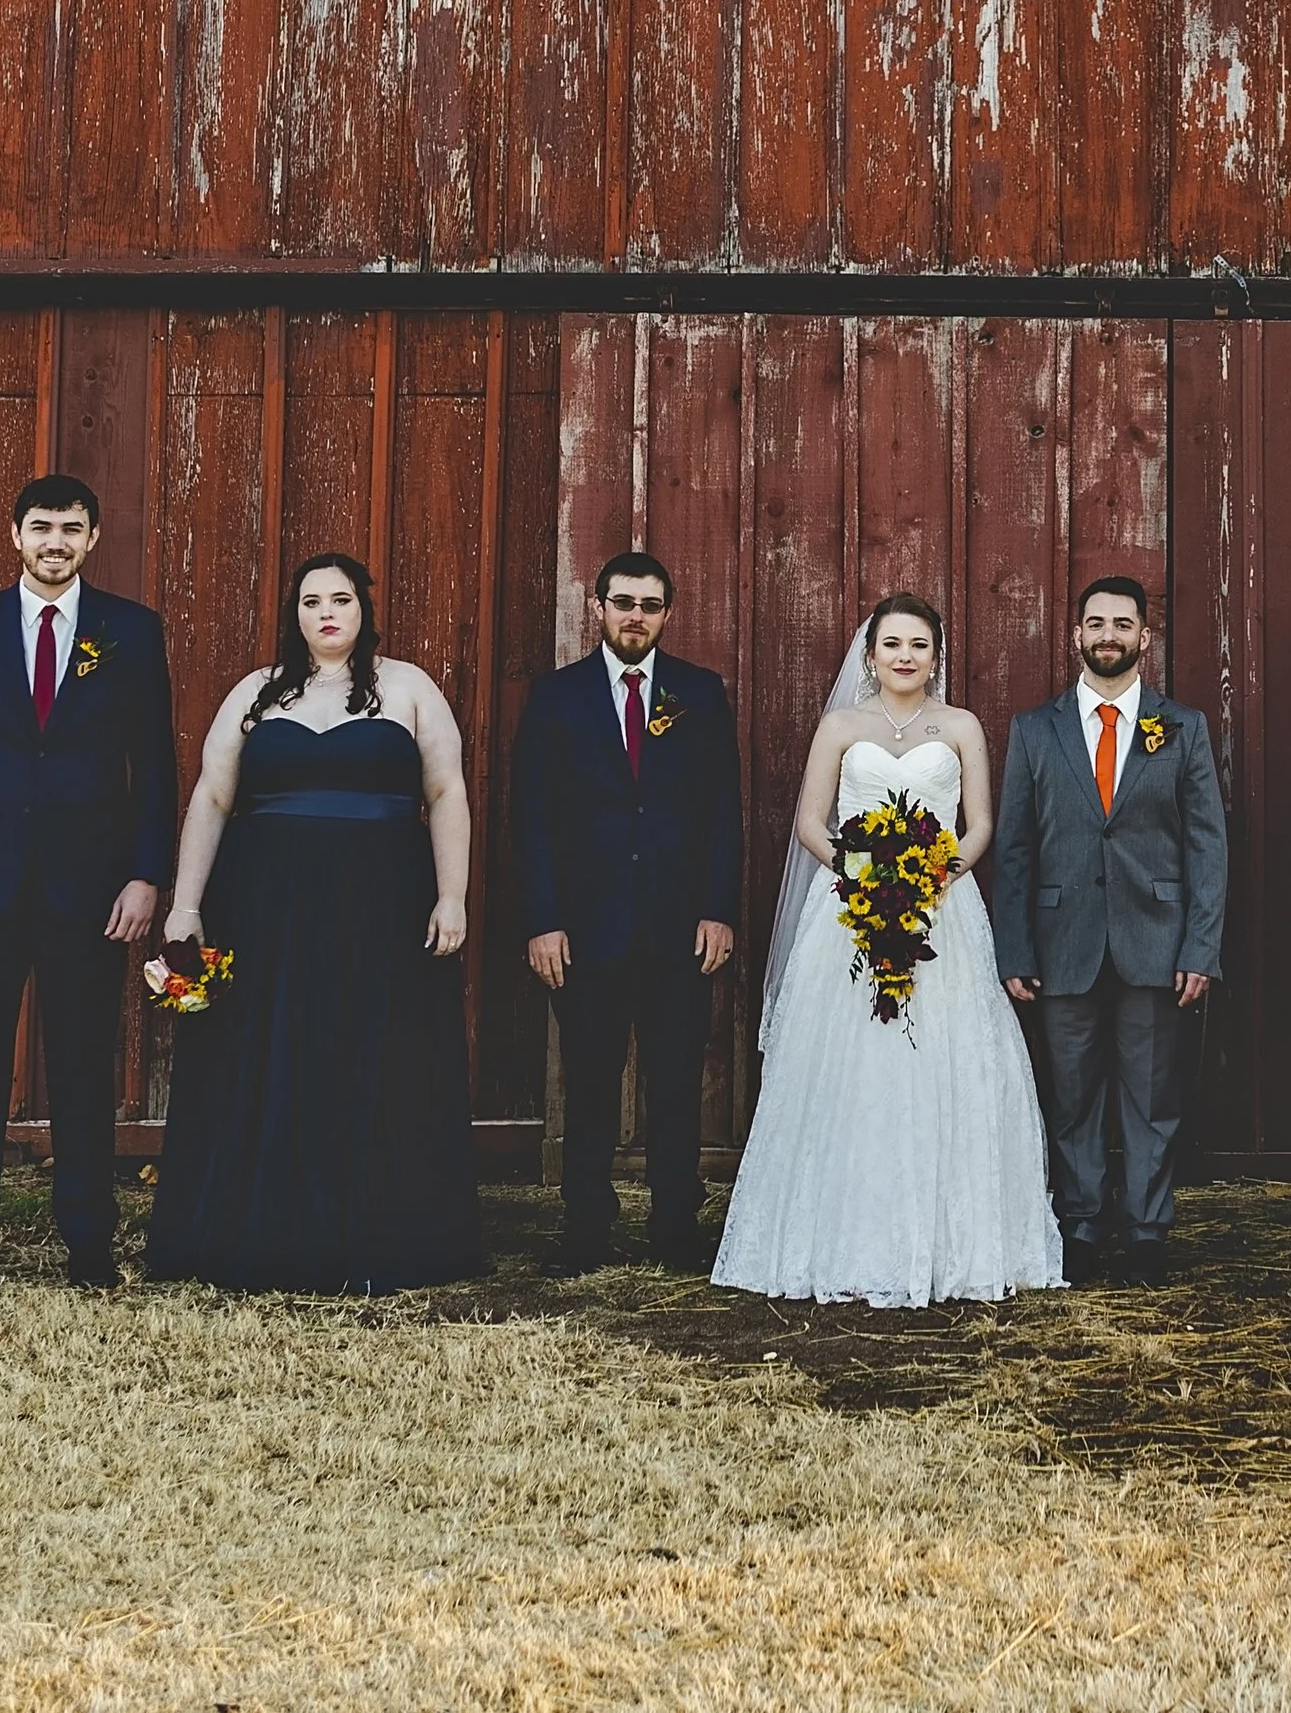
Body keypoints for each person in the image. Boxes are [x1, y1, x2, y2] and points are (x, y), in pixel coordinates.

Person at [144, 552, 482, 1292]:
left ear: (363, 609)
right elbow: (211, 798)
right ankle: (262, 1228)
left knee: (374, 1051)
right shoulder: (257, 693)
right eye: (309, 602)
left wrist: (451, 895)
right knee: (268, 1051)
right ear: (293, 614)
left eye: (340, 600)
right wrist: (187, 906)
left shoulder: (409, 688)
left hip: (382, 910)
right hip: (266, 910)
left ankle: (378, 1232)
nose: (325, 613)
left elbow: (448, 792)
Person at [712, 593, 1060, 1307]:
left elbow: (981, 823)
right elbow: (812, 820)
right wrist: (861, 875)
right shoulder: (842, 725)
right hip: (849, 907)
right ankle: (839, 1236)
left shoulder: (960, 726)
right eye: (892, 644)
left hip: (943, 909)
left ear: (938, 654)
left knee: (945, 1060)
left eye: (920, 645)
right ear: (870, 654)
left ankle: (949, 1242)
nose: (906, 656)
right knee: (851, 1065)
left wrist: (933, 877)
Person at [0, 474, 176, 1289]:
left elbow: (155, 768)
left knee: (86, 1067)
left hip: (89, 893)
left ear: (93, 537)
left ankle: (89, 1244)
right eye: (41, 526)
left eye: (72, 528)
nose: (56, 541)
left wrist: (144, 877)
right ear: (15, 534)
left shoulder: (130, 631)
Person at [992, 576, 1228, 1286]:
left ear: (1143, 638)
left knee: (1152, 1098)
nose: (1108, 636)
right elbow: (1014, 849)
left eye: (1121, 625)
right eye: (1095, 623)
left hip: (1155, 942)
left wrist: (1201, 947)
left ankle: (1149, 1231)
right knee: (1073, 1097)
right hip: (1062, 944)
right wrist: (1016, 948)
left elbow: (1206, 846)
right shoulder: (1036, 730)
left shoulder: (1180, 727)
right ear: (1076, 636)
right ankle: (1083, 1226)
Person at [511, 550, 741, 1273]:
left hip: (679, 928)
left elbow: (721, 812)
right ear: (600, 609)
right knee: (589, 1079)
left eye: (649, 604)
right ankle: (585, 1228)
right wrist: (542, 919)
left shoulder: (698, 695)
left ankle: (675, 1225)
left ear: (667, 613)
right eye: (623, 602)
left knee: (675, 1080)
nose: (635, 616)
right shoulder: (557, 698)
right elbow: (532, 818)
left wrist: (717, 909)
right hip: (584, 929)